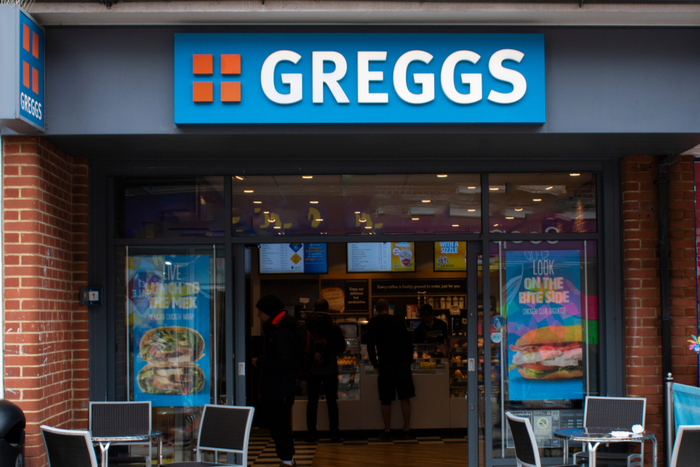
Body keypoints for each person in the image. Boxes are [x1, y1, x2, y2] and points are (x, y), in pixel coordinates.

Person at [252, 295, 297, 467]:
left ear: (269, 311)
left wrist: (260, 361)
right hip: (279, 387)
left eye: (260, 311)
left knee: (279, 425)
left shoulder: (281, 331)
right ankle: (287, 459)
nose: (258, 315)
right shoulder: (279, 328)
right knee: (279, 424)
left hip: (279, 387)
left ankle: (287, 460)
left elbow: (284, 361)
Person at [364, 298, 415, 441]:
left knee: (385, 398)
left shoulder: (373, 323)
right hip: (402, 363)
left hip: (385, 364)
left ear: (376, 310)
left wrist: (375, 363)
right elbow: (408, 342)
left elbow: (370, 345)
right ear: (388, 308)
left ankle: (387, 430)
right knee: (404, 397)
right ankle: (406, 429)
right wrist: (408, 361)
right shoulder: (398, 321)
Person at [305, 298, 347, 443]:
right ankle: (334, 433)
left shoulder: (307, 325)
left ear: (314, 309)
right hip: (330, 369)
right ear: (327, 309)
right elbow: (342, 348)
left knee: (312, 402)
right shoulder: (334, 326)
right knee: (331, 402)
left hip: (312, 369)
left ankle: (311, 434)